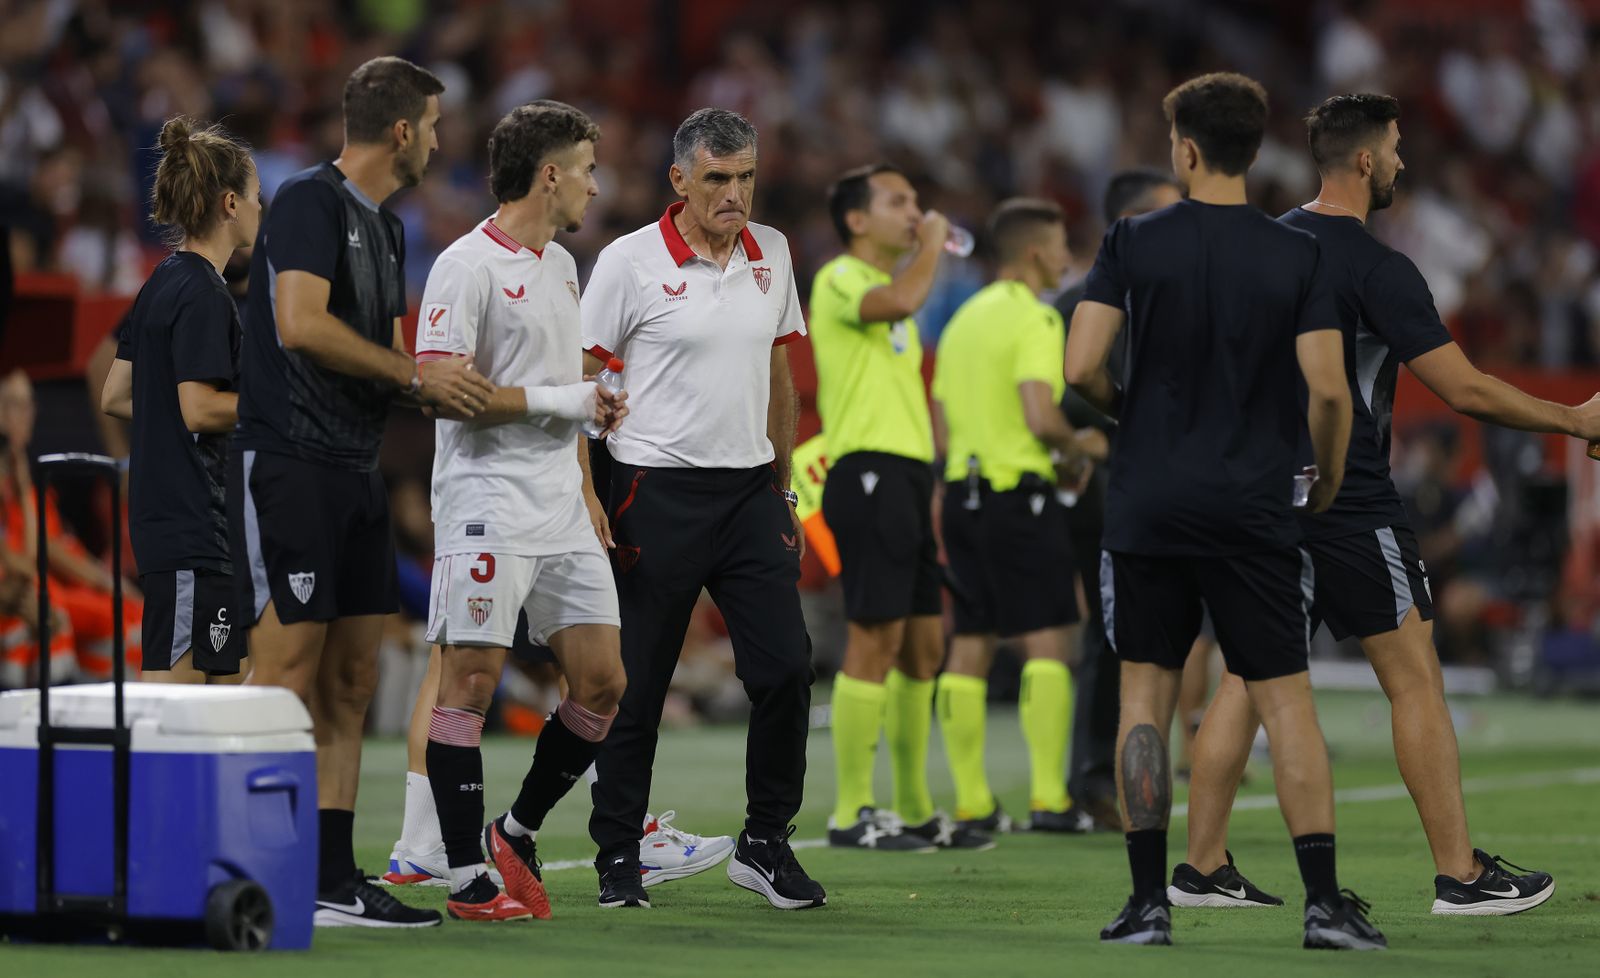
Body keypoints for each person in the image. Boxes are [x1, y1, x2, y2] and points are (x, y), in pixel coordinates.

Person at [1172, 93, 1577, 917]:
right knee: (1414, 677)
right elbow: (1463, 389)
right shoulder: (1374, 266)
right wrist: (1574, 417)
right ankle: (1460, 876)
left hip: (1251, 495)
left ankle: (1202, 868)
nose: (1402, 162)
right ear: (1363, 161)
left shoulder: (1254, 246)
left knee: (1249, 676)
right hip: (1347, 499)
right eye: (1394, 148)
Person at [1065, 72, 1381, 950]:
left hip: (1150, 502)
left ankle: (1146, 906)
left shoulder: (1131, 239)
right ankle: (1323, 907)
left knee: (1145, 699)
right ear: (1252, 149)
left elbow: (1080, 366)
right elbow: (1328, 389)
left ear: (1187, 149)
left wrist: (1133, 411)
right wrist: (1323, 475)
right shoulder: (1297, 254)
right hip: (1252, 505)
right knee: (1286, 704)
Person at [230, 56, 493, 929]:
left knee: (348, 682)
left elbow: (390, 357)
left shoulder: (386, 227)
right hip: (293, 465)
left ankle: (331, 878)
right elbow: (299, 325)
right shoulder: (307, 200)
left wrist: (453, 384)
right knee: (284, 677)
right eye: (437, 124)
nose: (443, 141)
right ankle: (239, 863)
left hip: (356, 469)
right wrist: (415, 375)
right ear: (405, 130)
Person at [581, 107, 824, 911]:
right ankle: (619, 852)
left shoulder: (775, 253)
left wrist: (783, 485)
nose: (735, 194)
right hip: (655, 491)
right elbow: (584, 379)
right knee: (638, 685)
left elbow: (780, 376)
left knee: (787, 667)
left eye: (747, 176)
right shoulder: (629, 261)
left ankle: (764, 842)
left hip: (751, 492)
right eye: (718, 178)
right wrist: (587, 489)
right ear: (679, 179)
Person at [809, 163, 983, 852]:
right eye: (898, 201)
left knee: (922, 647)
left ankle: (912, 807)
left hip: (907, 475)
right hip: (866, 471)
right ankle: (852, 811)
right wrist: (932, 243)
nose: (914, 211)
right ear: (857, 219)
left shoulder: (891, 289)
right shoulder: (841, 278)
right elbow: (905, 302)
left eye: (917, 201)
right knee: (875, 636)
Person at [931, 198, 1092, 835]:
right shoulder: (1037, 318)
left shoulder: (963, 318)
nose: (1065, 259)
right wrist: (1080, 447)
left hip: (963, 493)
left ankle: (973, 801)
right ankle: (1050, 799)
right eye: (1058, 248)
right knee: (1050, 639)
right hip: (1020, 493)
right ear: (1033, 253)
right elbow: (1039, 415)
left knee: (970, 642)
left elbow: (941, 418)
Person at [98, 116, 257, 685]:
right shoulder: (206, 294)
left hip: (173, 523)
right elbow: (198, 409)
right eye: (258, 197)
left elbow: (116, 395)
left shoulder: (161, 280)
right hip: (194, 522)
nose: (261, 211)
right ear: (232, 203)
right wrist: (274, 404)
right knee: (176, 711)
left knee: (225, 695)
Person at [1054, 168, 1182, 831]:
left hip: (1156, 483)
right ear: (1129, 223)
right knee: (1107, 641)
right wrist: (1122, 423)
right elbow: (1066, 389)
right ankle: (1087, 778)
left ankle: (1120, 780)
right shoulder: (1079, 300)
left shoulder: (1166, 292)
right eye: (1168, 215)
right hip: (1094, 487)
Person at [0, 369, 143, 682]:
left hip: (44, 584)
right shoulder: (14, 483)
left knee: (132, 614)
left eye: (28, 404)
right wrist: (107, 582)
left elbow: (48, 546)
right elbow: (38, 554)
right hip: (30, 591)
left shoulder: (26, 478)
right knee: (66, 607)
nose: (24, 415)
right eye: (13, 404)